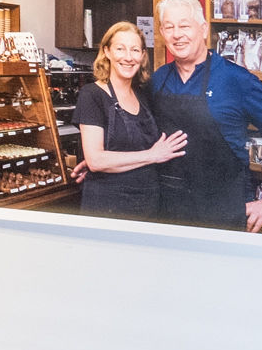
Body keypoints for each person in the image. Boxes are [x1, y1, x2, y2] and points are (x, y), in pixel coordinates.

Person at [145, 0, 262, 232]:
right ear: (162, 33)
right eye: (169, 27)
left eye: (184, 25)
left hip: (222, 207)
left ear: (203, 29)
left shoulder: (236, 79)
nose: (177, 34)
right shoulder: (158, 79)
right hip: (169, 206)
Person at [73, 19, 188, 221]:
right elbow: (96, 161)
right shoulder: (92, 95)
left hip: (148, 203)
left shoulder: (144, 94)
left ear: (143, 56)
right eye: (120, 49)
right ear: (107, 51)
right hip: (107, 208)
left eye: (135, 50)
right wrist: (151, 155)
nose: (128, 57)